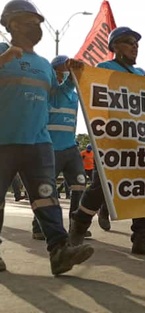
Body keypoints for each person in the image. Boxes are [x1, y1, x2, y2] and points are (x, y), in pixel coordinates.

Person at [0, 0, 93, 274]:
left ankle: (60, 252)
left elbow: (55, 95)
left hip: (39, 144)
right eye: (30, 22)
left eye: (38, 23)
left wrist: (71, 78)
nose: (36, 27)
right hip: (3, 142)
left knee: (46, 197)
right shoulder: (2, 52)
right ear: (12, 23)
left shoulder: (43, 64)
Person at [68, 26, 145, 256]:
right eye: (129, 42)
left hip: (141, 142)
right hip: (115, 140)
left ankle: (142, 237)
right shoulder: (104, 69)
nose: (134, 47)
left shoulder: (141, 73)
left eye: (136, 44)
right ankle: (78, 226)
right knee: (102, 187)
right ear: (114, 47)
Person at [31, 55, 90, 241]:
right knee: (46, 189)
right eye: (66, 69)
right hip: (50, 148)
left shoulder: (74, 95)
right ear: (55, 71)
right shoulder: (48, 91)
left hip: (70, 147)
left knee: (80, 184)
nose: (69, 72)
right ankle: (38, 227)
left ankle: (75, 224)